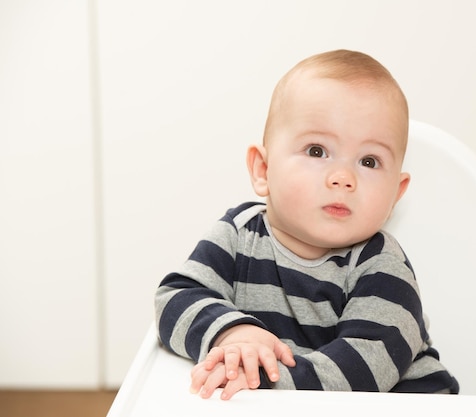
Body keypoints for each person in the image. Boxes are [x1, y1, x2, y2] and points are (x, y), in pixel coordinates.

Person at [155, 49, 459, 401]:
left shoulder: (381, 266)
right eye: (317, 151)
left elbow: (357, 371)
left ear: (396, 194)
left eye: (369, 161)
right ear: (263, 170)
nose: (343, 177)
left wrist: (265, 381)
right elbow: (173, 299)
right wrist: (233, 333)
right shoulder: (238, 233)